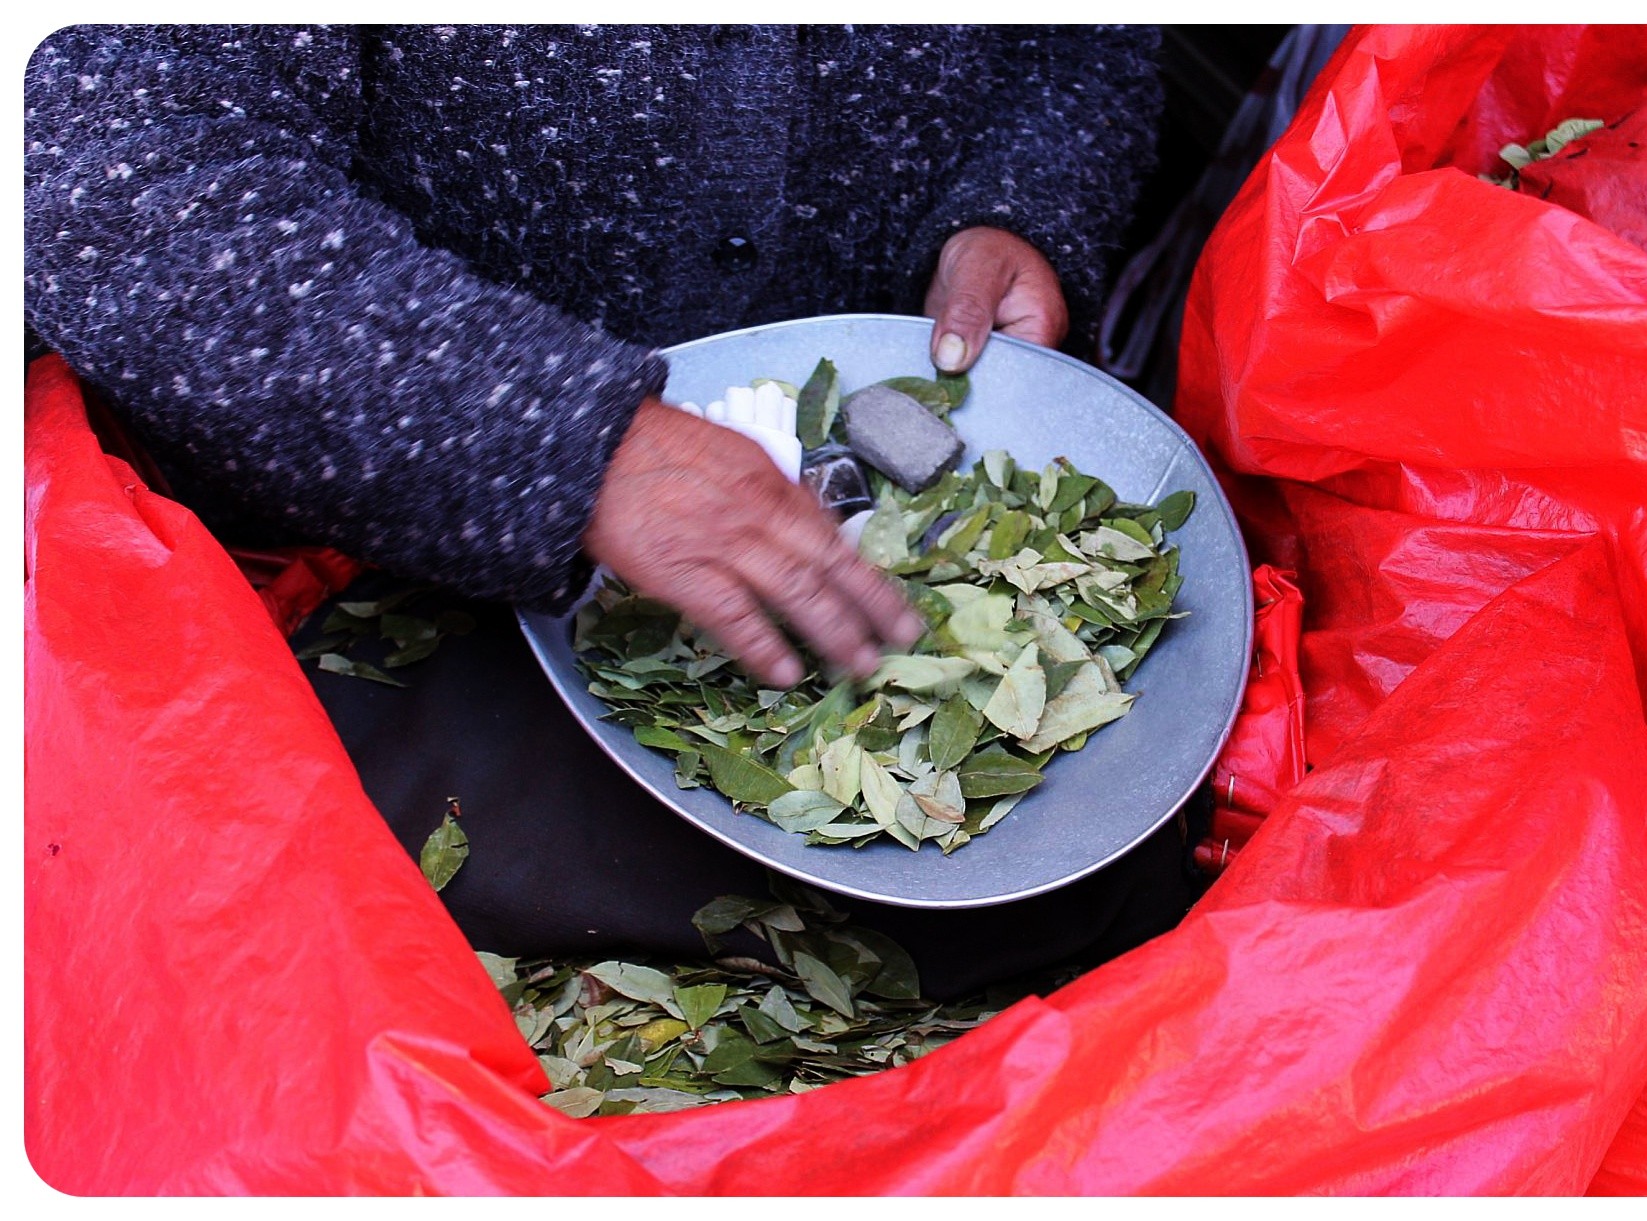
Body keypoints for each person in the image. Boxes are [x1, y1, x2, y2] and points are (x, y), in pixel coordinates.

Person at [25, 24, 1198, 996]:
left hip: (856, 472)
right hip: (365, 556)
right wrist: (565, 436)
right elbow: (116, 187)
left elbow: (1087, 45)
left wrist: (1015, 208)